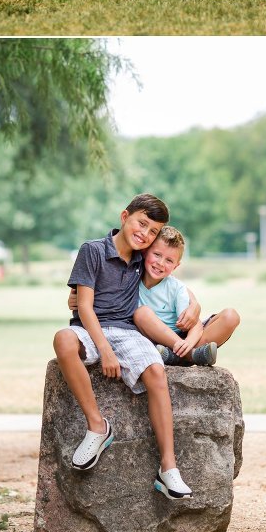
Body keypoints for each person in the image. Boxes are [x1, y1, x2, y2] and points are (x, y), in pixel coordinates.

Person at [52, 194, 195, 500]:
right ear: (124, 216)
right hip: (89, 327)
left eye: (153, 231)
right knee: (62, 339)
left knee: (156, 371)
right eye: (141, 224)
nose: (145, 234)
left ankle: (168, 468)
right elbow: (83, 306)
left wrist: (193, 306)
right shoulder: (92, 250)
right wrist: (104, 349)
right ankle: (97, 427)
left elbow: (172, 273)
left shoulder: (145, 257)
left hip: (128, 331)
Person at [132, 226, 241, 366]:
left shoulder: (176, 288)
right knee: (142, 313)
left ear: (176, 266)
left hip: (185, 339)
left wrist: (187, 343)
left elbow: (195, 325)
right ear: (145, 252)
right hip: (156, 340)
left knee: (231, 316)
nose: (160, 263)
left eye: (169, 260)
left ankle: (177, 355)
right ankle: (192, 356)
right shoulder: (131, 277)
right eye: (157, 254)